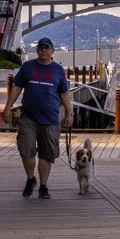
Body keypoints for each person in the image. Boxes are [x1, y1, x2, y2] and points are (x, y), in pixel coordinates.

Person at [7, 37, 73, 199]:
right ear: (37, 50)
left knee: (47, 154)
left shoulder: (58, 70)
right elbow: (17, 87)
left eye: (46, 48)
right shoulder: (27, 67)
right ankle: (30, 179)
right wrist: (8, 107)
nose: (43, 50)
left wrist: (70, 113)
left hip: (50, 118)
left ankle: (43, 186)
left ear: (52, 51)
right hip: (28, 117)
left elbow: (64, 93)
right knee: (26, 150)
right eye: (41, 48)